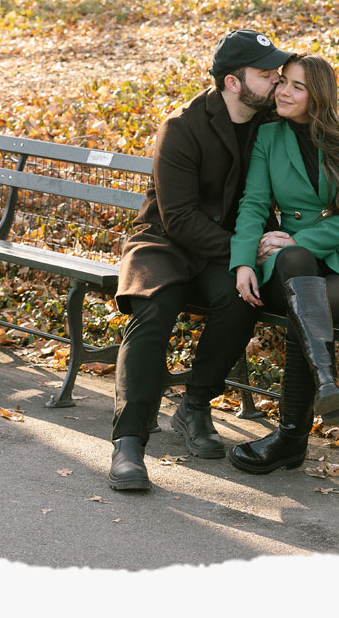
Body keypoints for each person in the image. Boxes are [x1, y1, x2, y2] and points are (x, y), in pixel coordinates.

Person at [108, 29, 294, 491]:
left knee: (243, 298)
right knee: (152, 311)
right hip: (165, 244)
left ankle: (194, 405)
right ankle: (128, 444)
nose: (276, 80)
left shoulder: (273, 123)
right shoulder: (182, 126)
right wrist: (247, 249)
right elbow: (179, 218)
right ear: (233, 82)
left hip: (227, 249)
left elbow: (323, 167)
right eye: (266, 73)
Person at [228, 54, 339, 475]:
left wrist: (300, 238)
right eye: (283, 82)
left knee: (306, 303)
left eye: (296, 87)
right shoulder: (269, 136)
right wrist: (244, 262)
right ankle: (325, 382)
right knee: (298, 273)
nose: (283, 91)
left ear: (318, 95)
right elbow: (254, 204)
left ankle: (290, 438)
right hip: (290, 266)